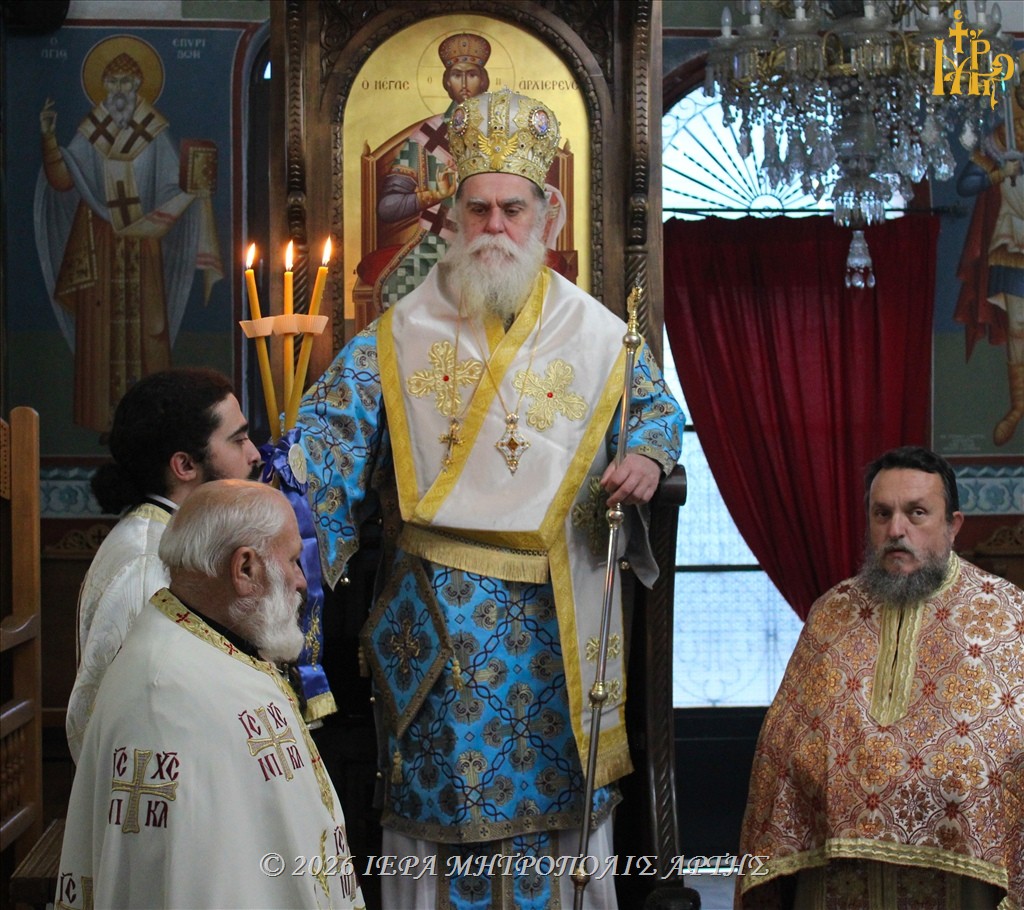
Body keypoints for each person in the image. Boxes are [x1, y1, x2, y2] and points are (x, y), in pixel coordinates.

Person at [294, 89, 684, 908]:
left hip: (557, 619)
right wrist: (285, 515)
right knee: (445, 805)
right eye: (479, 210)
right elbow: (328, 441)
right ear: (452, 217)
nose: (496, 228)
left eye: (513, 209)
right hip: (439, 617)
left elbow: (654, 412)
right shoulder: (400, 333)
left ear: (546, 217)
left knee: (557, 803)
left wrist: (648, 455)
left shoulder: (594, 332)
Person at [55, 480, 366, 909]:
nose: (301, 581)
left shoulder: (213, 649)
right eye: (294, 560)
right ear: (245, 568)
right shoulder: (167, 698)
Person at [737, 446, 1023, 909]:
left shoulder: (1006, 616)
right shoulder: (832, 612)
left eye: (917, 513)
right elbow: (783, 746)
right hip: (836, 867)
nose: (896, 530)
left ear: (953, 525)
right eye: (882, 513)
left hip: (963, 875)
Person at [66, 368, 261, 764]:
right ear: (185, 465)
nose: (255, 454)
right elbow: (138, 721)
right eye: (238, 439)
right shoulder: (146, 565)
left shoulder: (173, 540)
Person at [34, 36, 222, 432]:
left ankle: (152, 423)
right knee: (99, 333)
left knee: (148, 328)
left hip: (143, 246)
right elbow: (64, 179)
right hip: (99, 244)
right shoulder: (91, 131)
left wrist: (192, 189)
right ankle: (103, 419)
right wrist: (49, 139)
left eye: (126, 82)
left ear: (138, 87)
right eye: (113, 82)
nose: (119, 90)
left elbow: (171, 186)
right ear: (103, 87)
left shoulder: (153, 131)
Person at [357, 33, 571, 313]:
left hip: (509, 246)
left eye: (472, 74)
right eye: (457, 75)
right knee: (402, 302)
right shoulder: (428, 135)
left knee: (537, 307)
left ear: (484, 79)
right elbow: (388, 207)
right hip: (434, 244)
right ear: (446, 82)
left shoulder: (515, 133)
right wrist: (434, 195)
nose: (465, 83)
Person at [955, 80, 1024, 448]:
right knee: (1017, 327)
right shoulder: (1000, 138)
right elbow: (966, 185)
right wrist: (1000, 173)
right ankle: (1018, 406)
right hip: (1014, 241)